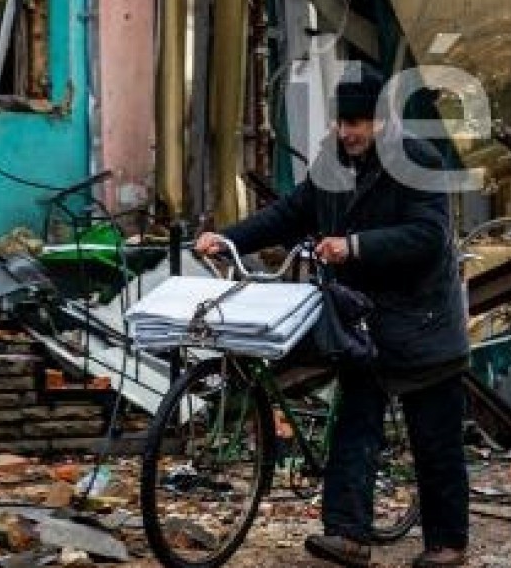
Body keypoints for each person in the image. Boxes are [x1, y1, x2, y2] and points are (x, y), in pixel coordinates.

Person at [195, 64, 470, 568]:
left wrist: (355, 246)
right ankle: (348, 535)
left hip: (422, 319)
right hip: (362, 321)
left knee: (434, 439)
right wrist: (230, 237)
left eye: (358, 123)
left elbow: (429, 236)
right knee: (355, 423)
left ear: (383, 120)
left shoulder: (420, 160)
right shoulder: (333, 161)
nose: (348, 133)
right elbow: (290, 213)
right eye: (342, 123)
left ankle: (447, 543)